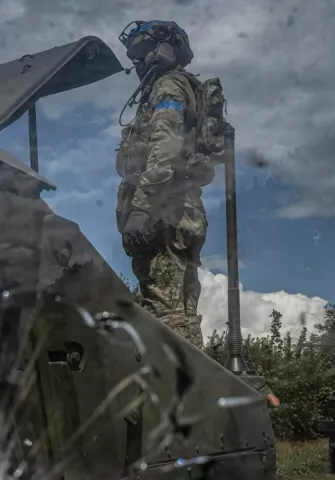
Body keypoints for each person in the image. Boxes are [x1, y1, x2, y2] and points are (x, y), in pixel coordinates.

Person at [114, 20, 219, 349]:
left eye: (142, 54)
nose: (138, 63)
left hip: (163, 211)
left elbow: (165, 146)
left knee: (166, 318)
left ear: (164, 50)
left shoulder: (168, 86)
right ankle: (197, 392)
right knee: (182, 315)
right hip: (184, 210)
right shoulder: (187, 88)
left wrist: (143, 206)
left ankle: (177, 397)